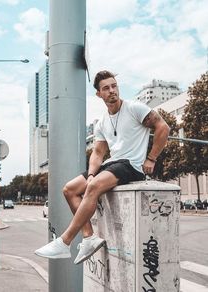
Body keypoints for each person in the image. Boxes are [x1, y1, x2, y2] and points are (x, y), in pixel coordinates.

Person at [35, 70, 170, 264]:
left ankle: (65, 242)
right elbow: (98, 153)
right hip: (113, 164)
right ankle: (89, 237)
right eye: (106, 88)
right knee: (70, 189)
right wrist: (90, 174)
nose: (112, 91)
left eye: (114, 86)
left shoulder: (134, 108)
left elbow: (163, 127)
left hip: (131, 165)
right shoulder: (102, 123)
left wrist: (151, 158)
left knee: (93, 187)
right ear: (99, 94)